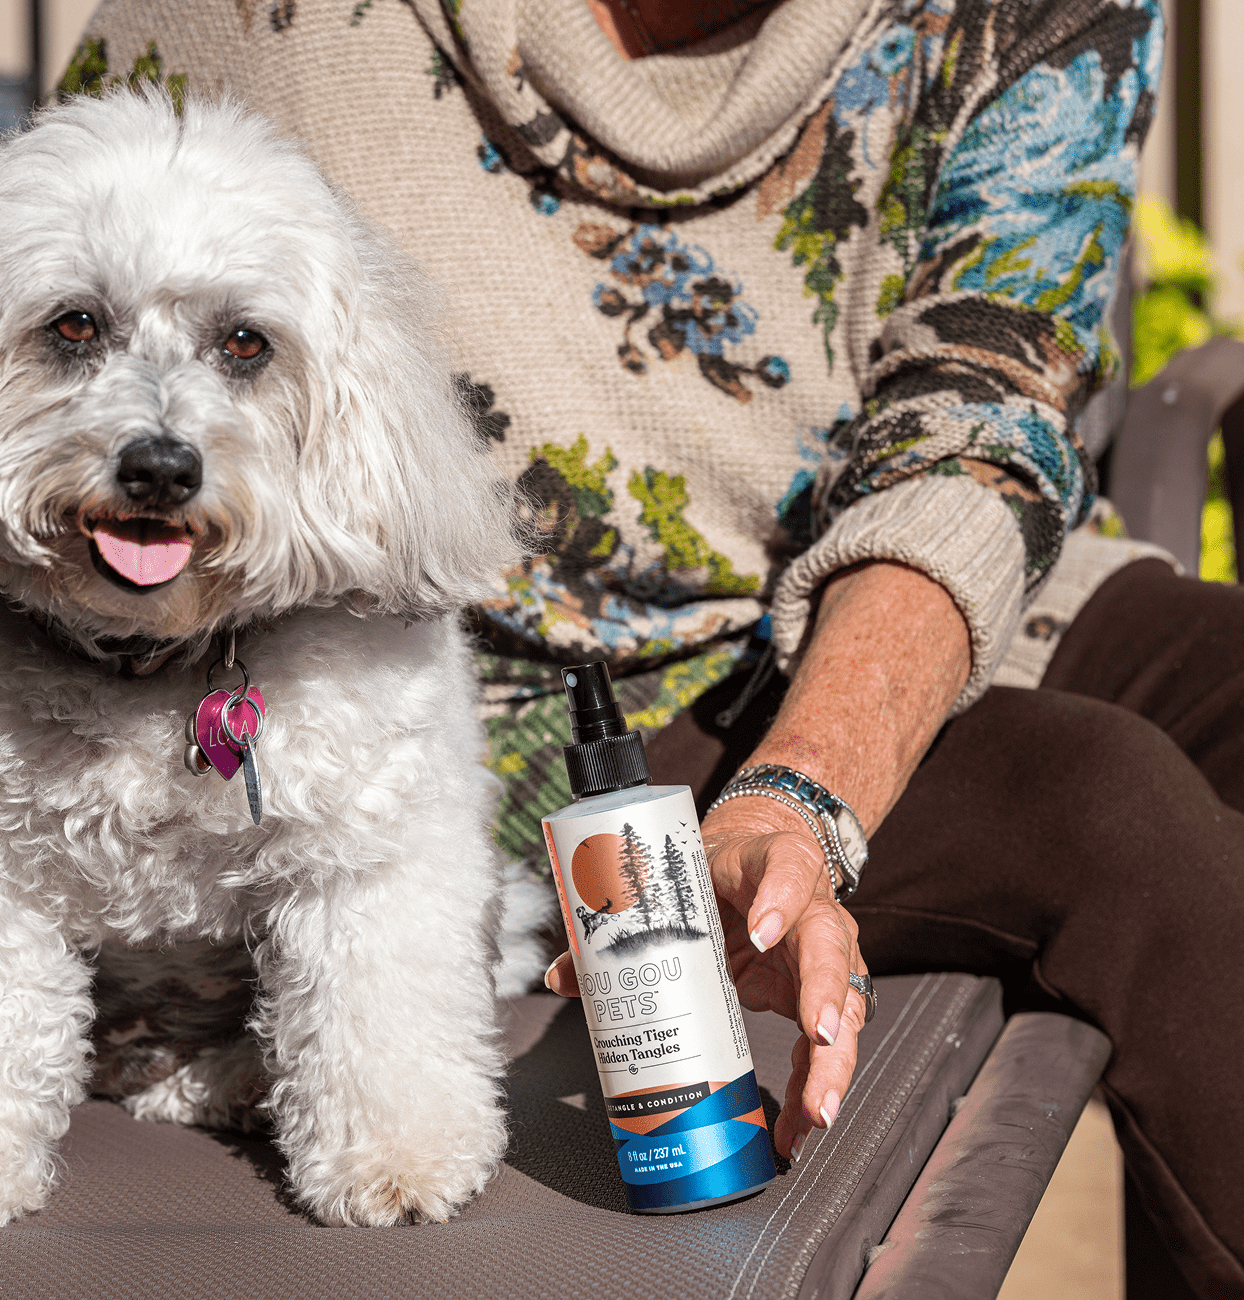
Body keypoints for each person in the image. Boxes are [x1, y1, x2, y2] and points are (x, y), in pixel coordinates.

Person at [66, 0, 1242, 1291]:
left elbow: (984, 417)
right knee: (1116, 821)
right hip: (498, 689)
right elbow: (36, 348)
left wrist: (798, 793)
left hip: (894, 569)